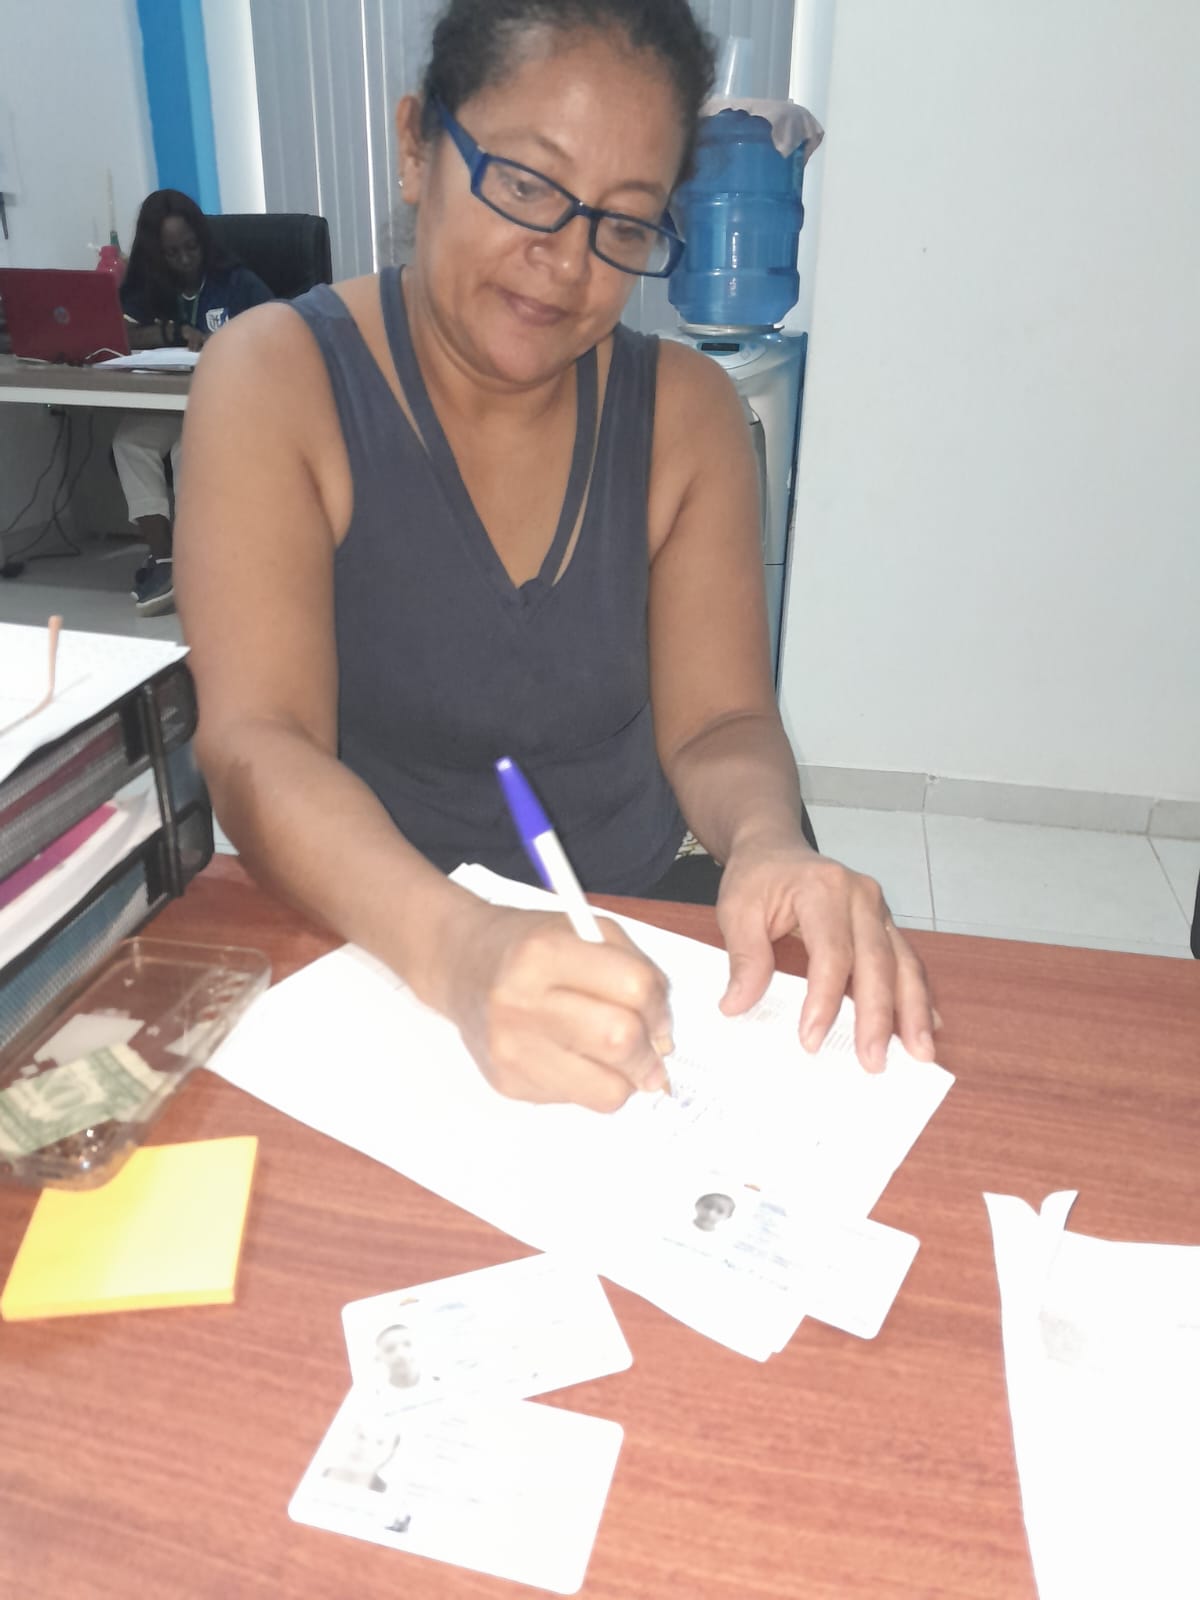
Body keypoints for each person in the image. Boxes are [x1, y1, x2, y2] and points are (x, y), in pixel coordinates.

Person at [176, 0, 936, 1115]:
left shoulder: (686, 415)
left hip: (643, 921)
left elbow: (720, 722)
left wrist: (768, 842)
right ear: (416, 148)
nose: (567, 261)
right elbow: (257, 740)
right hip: (379, 937)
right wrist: (461, 947)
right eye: (528, 184)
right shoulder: (275, 380)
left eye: (624, 223)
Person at [115, 189, 272, 616]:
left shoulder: (234, 280)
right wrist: (169, 333)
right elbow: (119, 332)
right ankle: (164, 560)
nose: (185, 259)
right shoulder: (150, 287)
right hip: (171, 404)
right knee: (129, 442)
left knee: (191, 446)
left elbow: (285, 325)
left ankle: (198, 561)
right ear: (156, 255)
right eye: (172, 253)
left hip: (225, 405)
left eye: (191, 247)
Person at [375, 1324, 421, 1390]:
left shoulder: (435, 1385)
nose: (401, 1354)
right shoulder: (376, 1393)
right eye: (390, 1349)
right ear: (379, 1358)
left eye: (407, 1344)